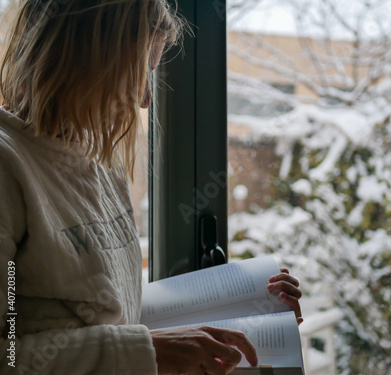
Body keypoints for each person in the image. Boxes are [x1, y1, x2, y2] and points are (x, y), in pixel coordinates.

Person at [0, 1, 302, 374]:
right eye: (140, 71)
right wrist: (146, 351)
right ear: (89, 59)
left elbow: (109, 317)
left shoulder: (100, 163)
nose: (145, 99)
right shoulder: (8, 166)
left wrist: (255, 306)